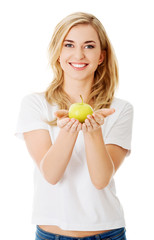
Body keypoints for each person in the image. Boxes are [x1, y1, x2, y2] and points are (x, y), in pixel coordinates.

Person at [16, 12, 133, 240]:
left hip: (107, 234)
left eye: (89, 46)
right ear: (59, 53)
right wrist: (68, 132)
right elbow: (51, 174)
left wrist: (93, 132)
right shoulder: (35, 104)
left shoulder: (120, 109)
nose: (78, 54)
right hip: (51, 235)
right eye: (69, 44)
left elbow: (100, 180)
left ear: (101, 56)